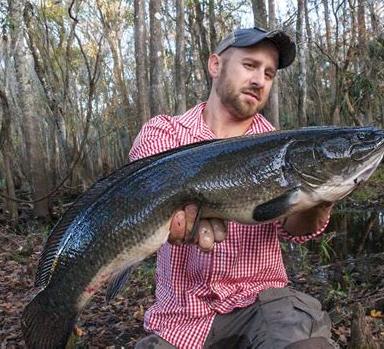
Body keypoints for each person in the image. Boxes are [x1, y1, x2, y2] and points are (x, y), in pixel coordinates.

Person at [129, 27, 336, 349]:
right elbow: (147, 198)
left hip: (262, 304)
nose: (260, 80)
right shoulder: (165, 134)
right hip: (180, 316)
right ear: (215, 65)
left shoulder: (279, 148)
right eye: (250, 65)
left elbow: (293, 229)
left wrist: (321, 199)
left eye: (269, 73)